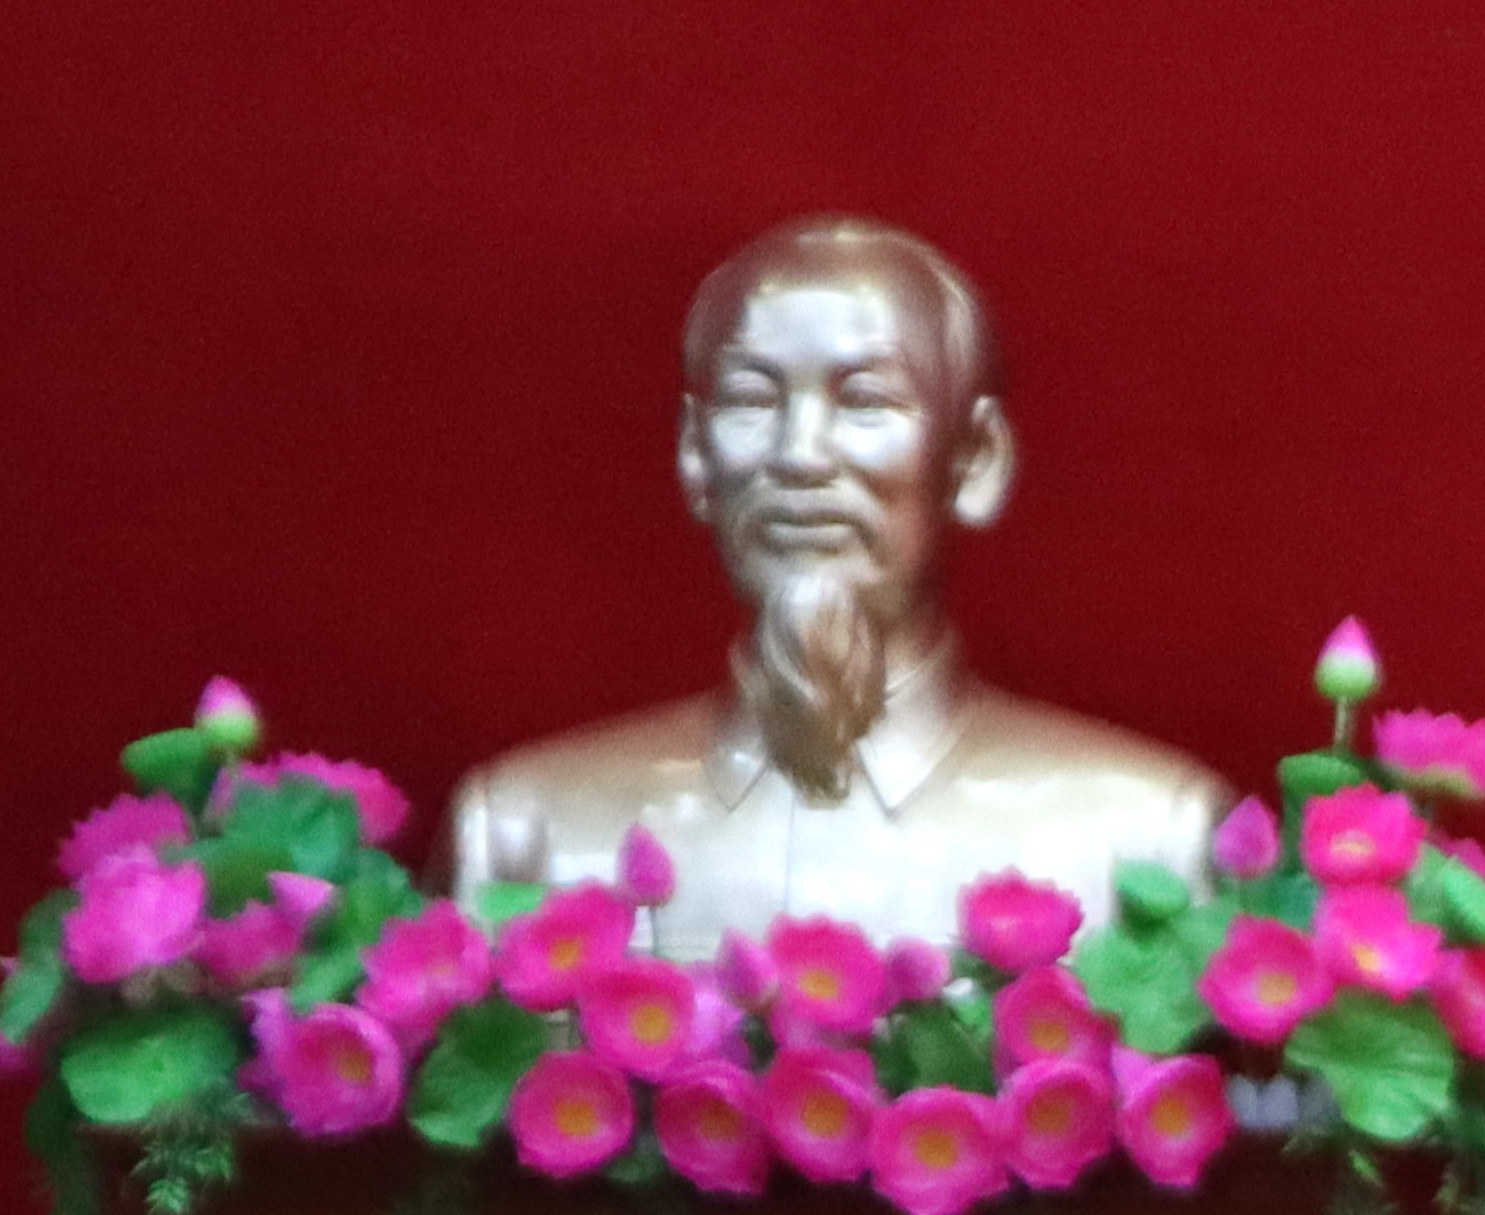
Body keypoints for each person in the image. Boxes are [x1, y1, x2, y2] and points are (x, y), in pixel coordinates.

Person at [450, 218, 1230, 956]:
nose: (799, 456)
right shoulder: (524, 834)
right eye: (753, 400)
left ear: (975, 460)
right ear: (695, 455)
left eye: (864, 401)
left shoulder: (1149, 840)